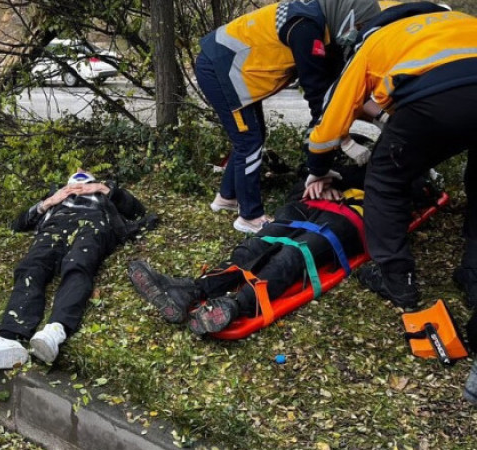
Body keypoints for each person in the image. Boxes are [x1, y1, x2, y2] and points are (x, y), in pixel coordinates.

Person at [129, 163, 441, 335]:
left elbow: (407, 199)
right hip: (309, 206)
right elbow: (308, 175)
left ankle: (236, 305)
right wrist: (320, 183)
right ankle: (191, 291)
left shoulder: (408, 175)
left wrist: (344, 184)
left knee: (294, 254)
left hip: (349, 217)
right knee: (256, 246)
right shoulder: (349, 159)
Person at [304, 3, 477, 311]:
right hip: (453, 95)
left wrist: (318, 168)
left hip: (434, 104)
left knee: (386, 179)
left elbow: (331, 118)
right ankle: (474, 273)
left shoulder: (376, 41)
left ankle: (396, 280)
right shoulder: (462, 21)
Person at [196, 0, 381, 234]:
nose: (358, 33)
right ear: (349, 15)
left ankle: (227, 197)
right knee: (248, 140)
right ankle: (249, 217)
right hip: (219, 68)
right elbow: (319, 98)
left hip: (233, 71)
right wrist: (329, 155)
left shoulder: (321, 26)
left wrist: (377, 118)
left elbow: (337, 90)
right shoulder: (305, 27)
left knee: (253, 136)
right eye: (360, 26)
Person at [0, 171, 151, 371]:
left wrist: (104, 189)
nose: (79, 172)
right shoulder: (56, 195)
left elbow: (138, 211)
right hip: (54, 227)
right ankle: (8, 337)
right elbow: (18, 224)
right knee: (30, 269)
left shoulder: (103, 192)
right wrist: (48, 202)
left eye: (84, 173)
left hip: (93, 224)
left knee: (77, 265)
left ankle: (55, 331)